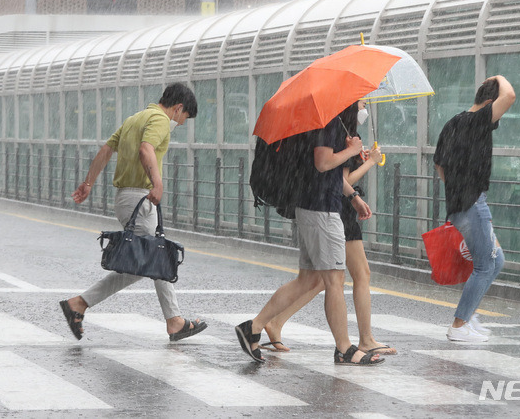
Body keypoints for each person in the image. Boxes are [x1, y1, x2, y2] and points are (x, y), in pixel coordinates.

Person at [235, 107, 384, 366]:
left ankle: (253, 327)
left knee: (309, 279)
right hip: (322, 209)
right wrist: (351, 151)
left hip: (313, 206)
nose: (362, 106)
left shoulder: (324, 121)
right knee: (334, 279)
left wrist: (353, 196)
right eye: (359, 101)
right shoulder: (328, 123)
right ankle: (344, 348)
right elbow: (323, 162)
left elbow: (332, 171)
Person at [59, 82, 207, 342]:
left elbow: (106, 150)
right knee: (155, 257)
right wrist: (158, 183)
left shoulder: (134, 118)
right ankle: (172, 321)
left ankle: (172, 320)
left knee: (150, 259)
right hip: (141, 197)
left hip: (125, 198)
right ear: (178, 108)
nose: (181, 124)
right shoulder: (160, 119)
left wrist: (89, 182)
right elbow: (145, 149)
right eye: (184, 118)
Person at [433, 75, 516, 342]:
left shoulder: (453, 123)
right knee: (486, 264)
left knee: (497, 260)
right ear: (489, 103)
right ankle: (459, 325)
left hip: (460, 205)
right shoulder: (478, 121)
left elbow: (439, 165)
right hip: (472, 204)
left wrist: (456, 187)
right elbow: (510, 96)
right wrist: (499, 77)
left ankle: (467, 315)